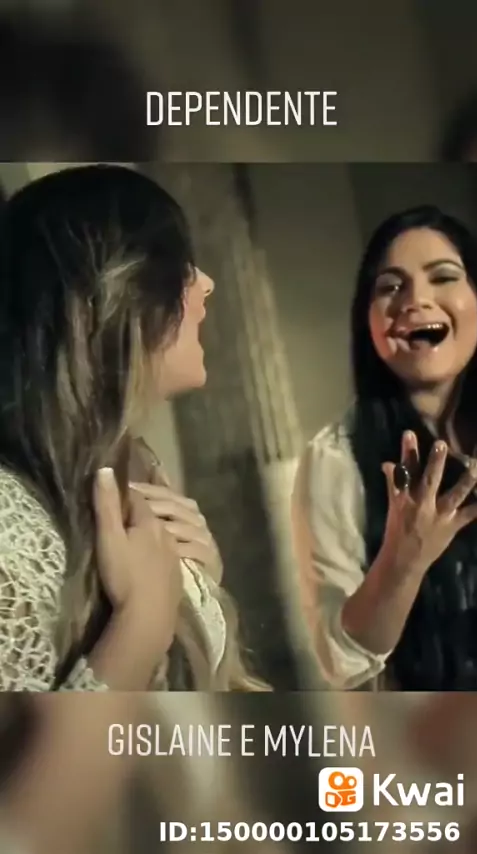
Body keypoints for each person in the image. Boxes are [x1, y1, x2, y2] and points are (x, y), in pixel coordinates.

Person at [0, 164, 266, 852]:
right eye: (180, 264)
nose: (206, 284)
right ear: (117, 299)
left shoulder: (136, 472)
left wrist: (202, 598)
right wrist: (144, 620)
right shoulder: (9, 526)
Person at [292, 204, 477, 691]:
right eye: (391, 287)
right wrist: (405, 559)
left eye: (444, 277)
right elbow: (341, 660)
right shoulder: (336, 459)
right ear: (367, 321)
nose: (416, 301)